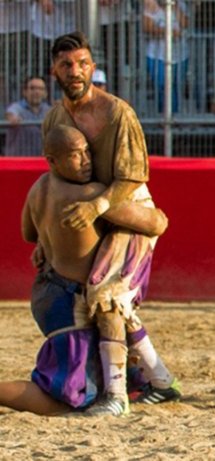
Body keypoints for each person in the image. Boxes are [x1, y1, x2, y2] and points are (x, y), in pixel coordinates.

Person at [42, 32, 181, 416]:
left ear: (94, 67)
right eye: (68, 64)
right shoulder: (55, 118)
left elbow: (134, 178)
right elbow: (53, 178)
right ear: (54, 69)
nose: (76, 71)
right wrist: (45, 238)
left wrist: (97, 206)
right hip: (97, 216)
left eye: (83, 63)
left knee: (107, 295)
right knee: (106, 300)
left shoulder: (118, 112)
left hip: (127, 209)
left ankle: (116, 396)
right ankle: (160, 380)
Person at [3, 125, 168, 415]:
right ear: (52, 160)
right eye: (75, 155)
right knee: (67, 399)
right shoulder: (89, 194)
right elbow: (156, 224)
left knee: (115, 324)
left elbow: (29, 233)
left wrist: (50, 237)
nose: (86, 159)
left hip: (47, 291)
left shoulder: (39, 186)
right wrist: (106, 205)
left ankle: (158, 383)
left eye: (86, 151)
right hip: (68, 301)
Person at [4, 76, 52, 157]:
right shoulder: (17, 106)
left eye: (40, 89)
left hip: (40, 161)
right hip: (18, 162)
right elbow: (10, 114)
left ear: (45, 93)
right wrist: (13, 118)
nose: (36, 92)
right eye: (32, 88)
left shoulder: (48, 109)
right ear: (25, 92)